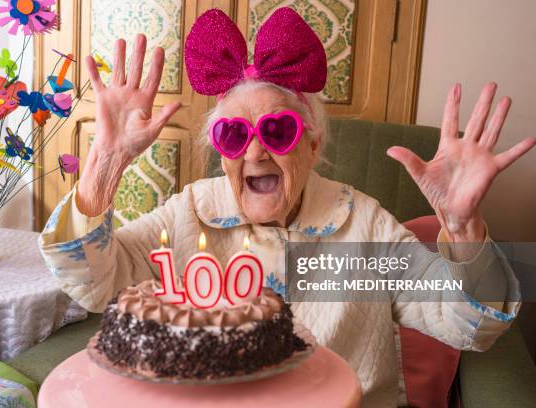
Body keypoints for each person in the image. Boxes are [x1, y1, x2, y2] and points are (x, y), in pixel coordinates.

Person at [39, 8, 535, 407]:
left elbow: (471, 325)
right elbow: (95, 285)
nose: (254, 153)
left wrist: (462, 224)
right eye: (234, 135)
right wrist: (103, 167)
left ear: (312, 144)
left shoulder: (361, 223)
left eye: (277, 131)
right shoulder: (191, 211)